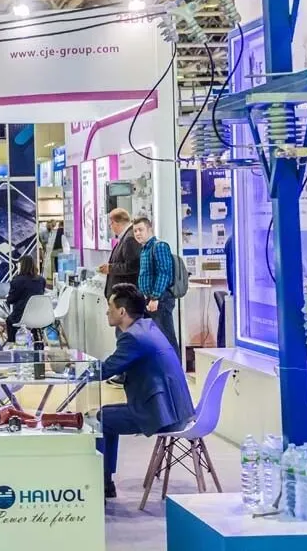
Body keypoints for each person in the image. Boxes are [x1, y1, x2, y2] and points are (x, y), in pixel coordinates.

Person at [98, 283, 194, 498]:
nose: (107, 312)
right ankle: (106, 482)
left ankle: (102, 484)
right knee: (106, 415)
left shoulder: (133, 338)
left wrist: (73, 371)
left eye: (110, 307)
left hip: (163, 415)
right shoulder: (148, 327)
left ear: (122, 311)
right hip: (177, 409)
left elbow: (107, 369)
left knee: (102, 419)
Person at [133, 217, 180, 356]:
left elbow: (164, 273)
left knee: (166, 337)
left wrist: (155, 297)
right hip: (148, 300)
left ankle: (175, 367)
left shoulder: (159, 246)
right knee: (154, 340)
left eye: (140, 230)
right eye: (135, 231)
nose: (137, 233)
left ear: (149, 229)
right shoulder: (144, 249)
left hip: (160, 300)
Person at [4, 255, 46, 343]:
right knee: (30, 322)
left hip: (21, 316)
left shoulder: (17, 280)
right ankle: (36, 339)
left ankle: (12, 343)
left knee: (9, 320)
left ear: (21, 266)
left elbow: (11, 300)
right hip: (38, 315)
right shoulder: (41, 280)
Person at [99, 208, 141, 296]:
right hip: (122, 294)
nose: (110, 227)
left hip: (125, 295)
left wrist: (110, 268)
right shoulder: (126, 236)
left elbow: (133, 266)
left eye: (111, 224)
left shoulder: (130, 238)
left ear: (116, 223)